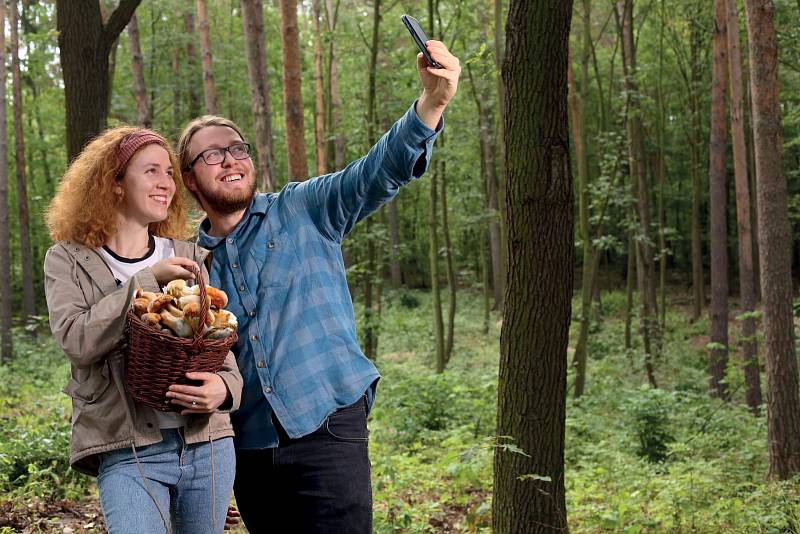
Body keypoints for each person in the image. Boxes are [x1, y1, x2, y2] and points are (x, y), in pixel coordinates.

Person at [176, 41, 460, 532]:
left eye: (238, 148)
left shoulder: (303, 208)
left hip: (327, 422)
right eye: (213, 154)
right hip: (248, 449)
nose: (231, 159)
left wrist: (430, 104)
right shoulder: (187, 267)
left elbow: (376, 171)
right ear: (189, 179)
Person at [43, 127, 243, 534]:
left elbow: (217, 344)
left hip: (208, 445)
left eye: (169, 172)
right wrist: (145, 281)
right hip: (129, 450)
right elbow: (76, 340)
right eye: (151, 171)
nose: (166, 184)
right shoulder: (69, 260)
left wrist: (225, 390)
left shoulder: (188, 255)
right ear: (114, 183)